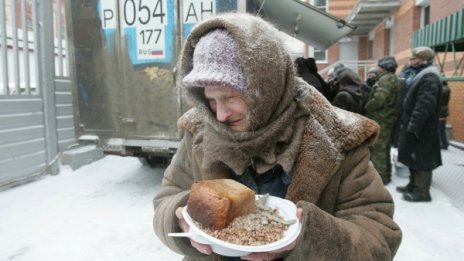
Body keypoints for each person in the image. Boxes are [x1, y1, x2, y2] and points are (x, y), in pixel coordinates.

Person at [153, 13, 401, 260]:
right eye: (211, 100)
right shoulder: (200, 130)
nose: (220, 115)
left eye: (230, 97)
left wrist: (308, 239)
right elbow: (168, 195)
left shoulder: (339, 137)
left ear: (267, 87)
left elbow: (378, 236)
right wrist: (182, 217)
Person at [396, 46, 443, 202]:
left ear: (424, 60)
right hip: (416, 127)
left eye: (414, 59)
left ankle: (422, 192)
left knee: (422, 159)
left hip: (422, 130)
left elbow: (424, 105)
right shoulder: (421, 73)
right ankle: (412, 185)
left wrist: (414, 127)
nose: (411, 61)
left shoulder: (430, 77)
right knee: (413, 158)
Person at [364, 56, 401, 185]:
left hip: (382, 119)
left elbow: (380, 99)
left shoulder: (387, 80)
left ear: (384, 66)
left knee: (379, 149)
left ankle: (380, 178)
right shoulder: (390, 78)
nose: (378, 68)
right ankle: (385, 175)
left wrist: (367, 107)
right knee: (383, 149)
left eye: (380, 65)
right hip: (387, 118)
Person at [438, 80, 451, 150]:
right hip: (444, 111)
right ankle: (444, 144)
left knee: (440, 129)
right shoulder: (447, 90)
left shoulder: (442, 91)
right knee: (442, 129)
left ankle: (443, 144)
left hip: (441, 112)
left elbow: (439, 101)